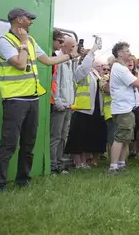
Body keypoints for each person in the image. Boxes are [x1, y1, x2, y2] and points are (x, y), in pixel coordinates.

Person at [0, 8, 77, 191]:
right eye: (28, 18)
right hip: (14, 99)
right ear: (18, 20)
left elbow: (47, 61)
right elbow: (21, 64)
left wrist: (70, 56)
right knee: (9, 143)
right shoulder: (5, 42)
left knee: (28, 142)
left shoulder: (30, 40)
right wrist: (23, 44)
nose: (31, 22)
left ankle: (23, 179)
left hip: (32, 98)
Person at [108, 42, 139, 174]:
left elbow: (133, 86)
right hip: (123, 109)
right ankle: (113, 166)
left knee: (125, 138)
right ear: (119, 53)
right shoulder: (119, 68)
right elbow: (137, 82)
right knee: (120, 138)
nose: (129, 53)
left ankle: (121, 163)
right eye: (127, 50)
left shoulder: (122, 68)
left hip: (127, 108)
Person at [65, 45, 107, 169]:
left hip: (93, 110)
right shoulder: (80, 71)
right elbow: (85, 67)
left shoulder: (95, 75)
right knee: (77, 138)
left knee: (85, 138)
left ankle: (84, 161)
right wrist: (92, 50)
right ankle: (78, 163)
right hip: (81, 109)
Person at [50, 35, 77, 174]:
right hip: (60, 104)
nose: (74, 49)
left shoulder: (69, 61)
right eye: (72, 46)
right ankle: (52, 166)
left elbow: (70, 83)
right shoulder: (58, 60)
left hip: (68, 105)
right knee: (55, 136)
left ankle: (59, 164)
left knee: (63, 137)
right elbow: (55, 82)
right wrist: (57, 101)